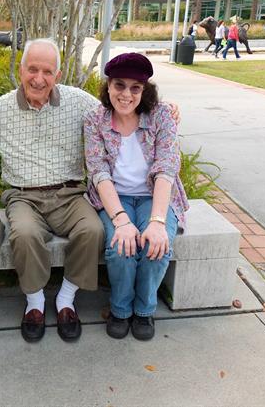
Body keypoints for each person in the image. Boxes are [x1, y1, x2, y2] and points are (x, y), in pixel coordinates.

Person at [0, 39, 105, 343]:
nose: (38, 78)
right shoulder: (0, 109)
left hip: (70, 195)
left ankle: (65, 299)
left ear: (57, 76)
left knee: (93, 230)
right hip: (23, 196)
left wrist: (163, 111)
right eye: (32, 69)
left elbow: (119, 114)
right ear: (21, 71)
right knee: (24, 234)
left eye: (47, 71)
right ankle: (35, 303)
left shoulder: (78, 102)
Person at [84, 53, 189, 341]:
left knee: (157, 245)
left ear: (145, 90)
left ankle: (144, 310)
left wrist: (156, 221)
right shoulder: (95, 119)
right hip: (113, 197)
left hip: (154, 197)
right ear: (108, 86)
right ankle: (120, 309)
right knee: (121, 247)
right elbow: (98, 172)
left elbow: (166, 168)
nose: (126, 94)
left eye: (135, 87)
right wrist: (120, 220)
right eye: (119, 85)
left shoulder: (162, 116)